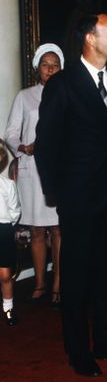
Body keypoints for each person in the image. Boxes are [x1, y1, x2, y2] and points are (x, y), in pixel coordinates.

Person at [34, 13, 107, 377]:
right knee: (77, 276)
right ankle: (78, 350)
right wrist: (56, 193)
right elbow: (47, 144)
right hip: (78, 197)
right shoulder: (62, 84)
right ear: (91, 39)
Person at [5, 43, 63, 308]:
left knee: (59, 229)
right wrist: (23, 148)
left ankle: (59, 283)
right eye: (45, 64)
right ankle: (40, 283)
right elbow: (11, 133)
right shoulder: (24, 96)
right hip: (33, 169)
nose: (50, 69)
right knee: (38, 230)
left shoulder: (67, 93)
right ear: (37, 68)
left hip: (60, 169)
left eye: (55, 64)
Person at [0, 139, 21, 326]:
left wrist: (9, 227)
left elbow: (15, 211)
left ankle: (8, 307)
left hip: (3, 230)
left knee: (5, 274)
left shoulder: (7, 184)